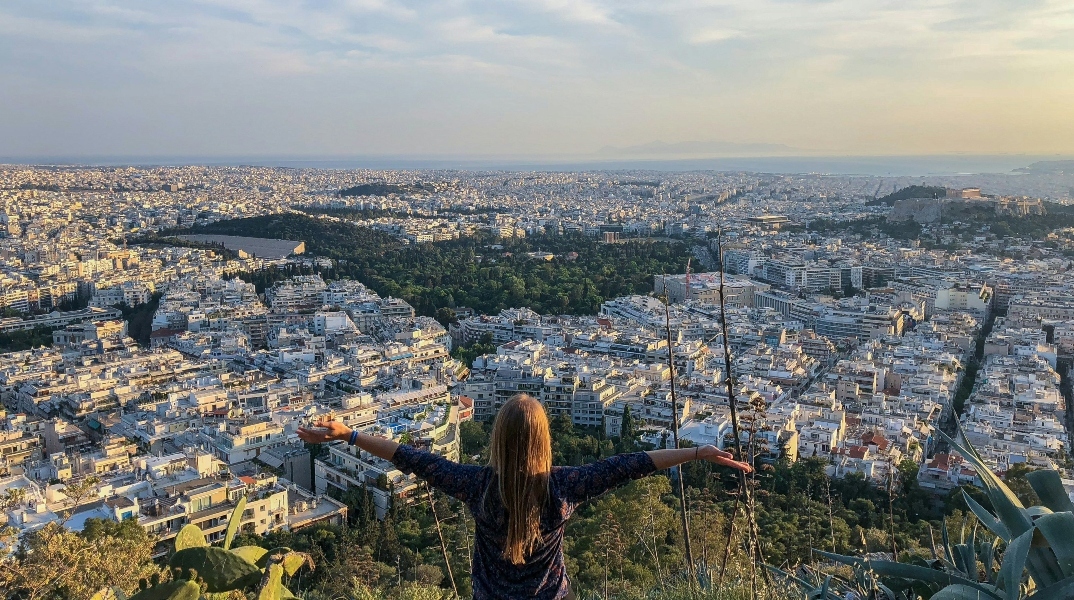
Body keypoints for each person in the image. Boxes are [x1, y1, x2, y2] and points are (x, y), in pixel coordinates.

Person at [298, 393, 753, 599]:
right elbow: (631, 464)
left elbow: (410, 457)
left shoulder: (476, 486)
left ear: (497, 439)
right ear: (544, 442)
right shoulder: (563, 487)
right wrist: (697, 451)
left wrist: (350, 434)